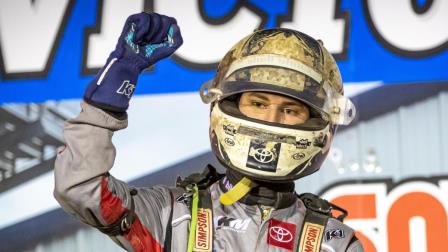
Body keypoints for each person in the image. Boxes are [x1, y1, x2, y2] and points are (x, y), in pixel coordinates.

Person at [54, 12, 363, 252]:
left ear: (319, 124)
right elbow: (81, 188)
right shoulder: (172, 216)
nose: (272, 119)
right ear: (227, 104)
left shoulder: (334, 243)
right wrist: (113, 89)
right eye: (257, 102)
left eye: (290, 110)